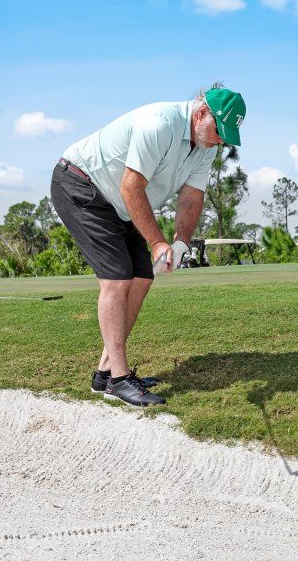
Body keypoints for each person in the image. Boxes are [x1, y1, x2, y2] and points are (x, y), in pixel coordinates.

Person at [49, 86, 246, 407]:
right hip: (81, 184)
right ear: (201, 113)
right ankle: (119, 380)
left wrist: (181, 242)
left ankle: (104, 373)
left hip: (119, 202)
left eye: (226, 136)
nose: (219, 141)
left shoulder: (207, 146)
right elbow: (131, 185)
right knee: (117, 278)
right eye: (217, 131)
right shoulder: (159, 124)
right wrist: (157, 242)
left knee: (141, 277)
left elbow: (192, 196)